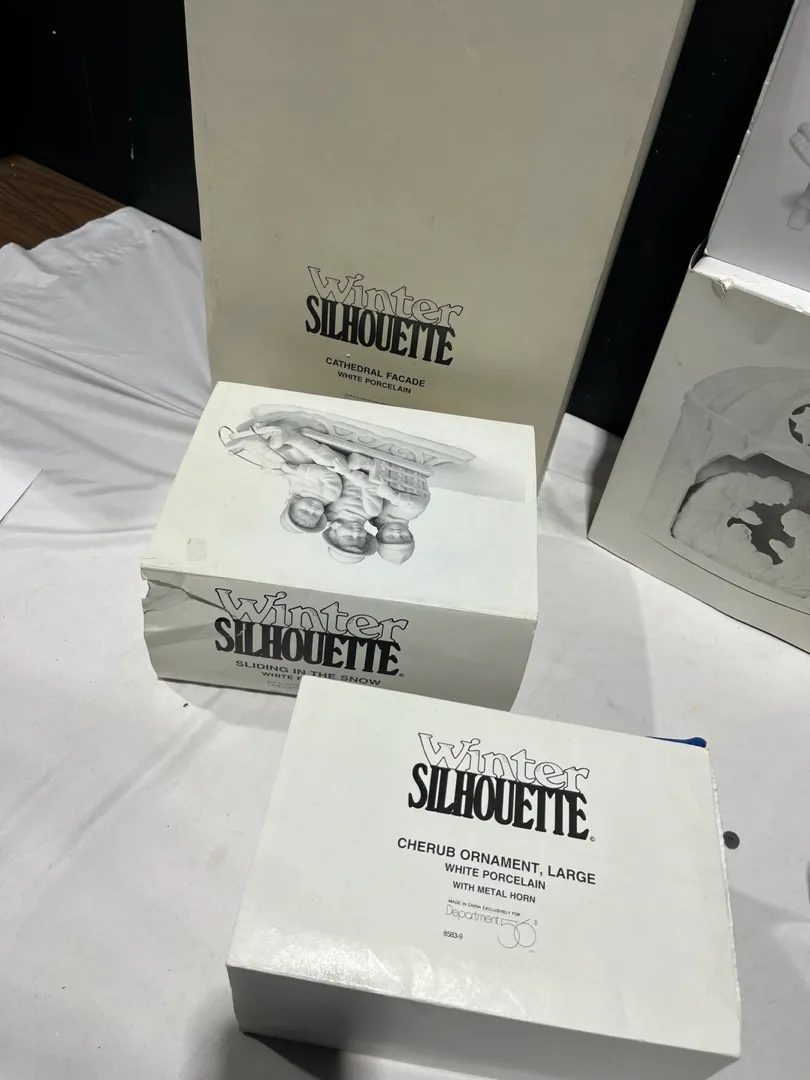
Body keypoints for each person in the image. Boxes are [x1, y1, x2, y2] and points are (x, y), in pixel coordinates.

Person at [279, 462, 343, 534]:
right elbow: (329, 475)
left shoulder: (295, 492)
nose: (313, 510)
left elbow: (291, 476)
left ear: (293, 503)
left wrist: (287, 473)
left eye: (305, 511)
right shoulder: (330, 495)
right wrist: (297, 470)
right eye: (315, 515)